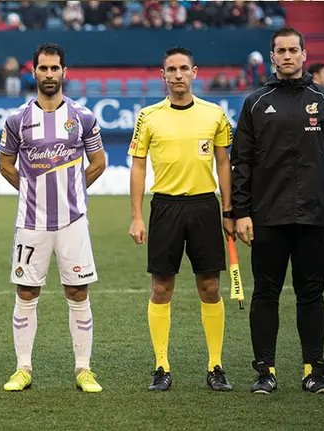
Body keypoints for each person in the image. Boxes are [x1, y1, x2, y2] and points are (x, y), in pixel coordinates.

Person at [231, 27, 324, 395]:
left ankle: (314, 371)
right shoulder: (255, 101)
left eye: (293, 50)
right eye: (280, 50)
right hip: (267, 217)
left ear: (304, 54)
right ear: (272, 56)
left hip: (316, 217)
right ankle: (264, 371)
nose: (287, 56)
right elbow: (242, 162)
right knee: (265, 295)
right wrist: (242, 212)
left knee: (311, 296)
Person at [0, 43, 106, 393]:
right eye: (43, 68)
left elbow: (99, 162)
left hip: (73, 221)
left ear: (64, 71)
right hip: (31, 223)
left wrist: (75, 190)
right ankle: (23, 368)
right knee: (26, 291)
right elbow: (4, 164)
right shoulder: (17, 119)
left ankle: (83, 370)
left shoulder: (83, 117)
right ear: (33, 71)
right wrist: (30, 189)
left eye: (54, 68)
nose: (48, 75)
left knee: (77, 291)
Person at [128, 47, 235, 392]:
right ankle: (161, 366)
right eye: (171, 69)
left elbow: (223, 164)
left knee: (210, 287)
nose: (177, 75)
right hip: (165, 208)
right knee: (161, 288)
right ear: (163, 75)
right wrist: (136, 216)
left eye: (183, 69)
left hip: (204, 206)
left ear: (194, 72)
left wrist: (228, 210)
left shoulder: (214, 113)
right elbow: (139, 165)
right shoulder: (148, 116)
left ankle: (215, 365)